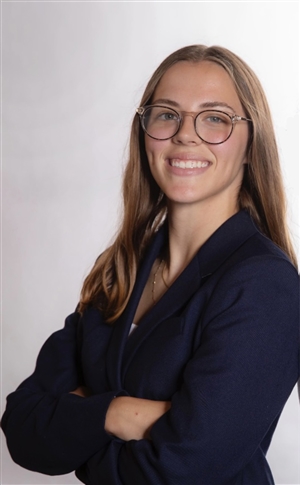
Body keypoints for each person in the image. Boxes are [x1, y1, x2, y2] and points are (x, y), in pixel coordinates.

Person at [1, 45, 299, 485]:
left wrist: (82, 423)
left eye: (215, 117)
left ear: (252, 145)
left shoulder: (265, 285)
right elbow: (23, 429)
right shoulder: (119, 270)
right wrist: (118, 414)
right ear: (144, 132)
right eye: (166, 114)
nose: (186, 134)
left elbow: (184, 470)